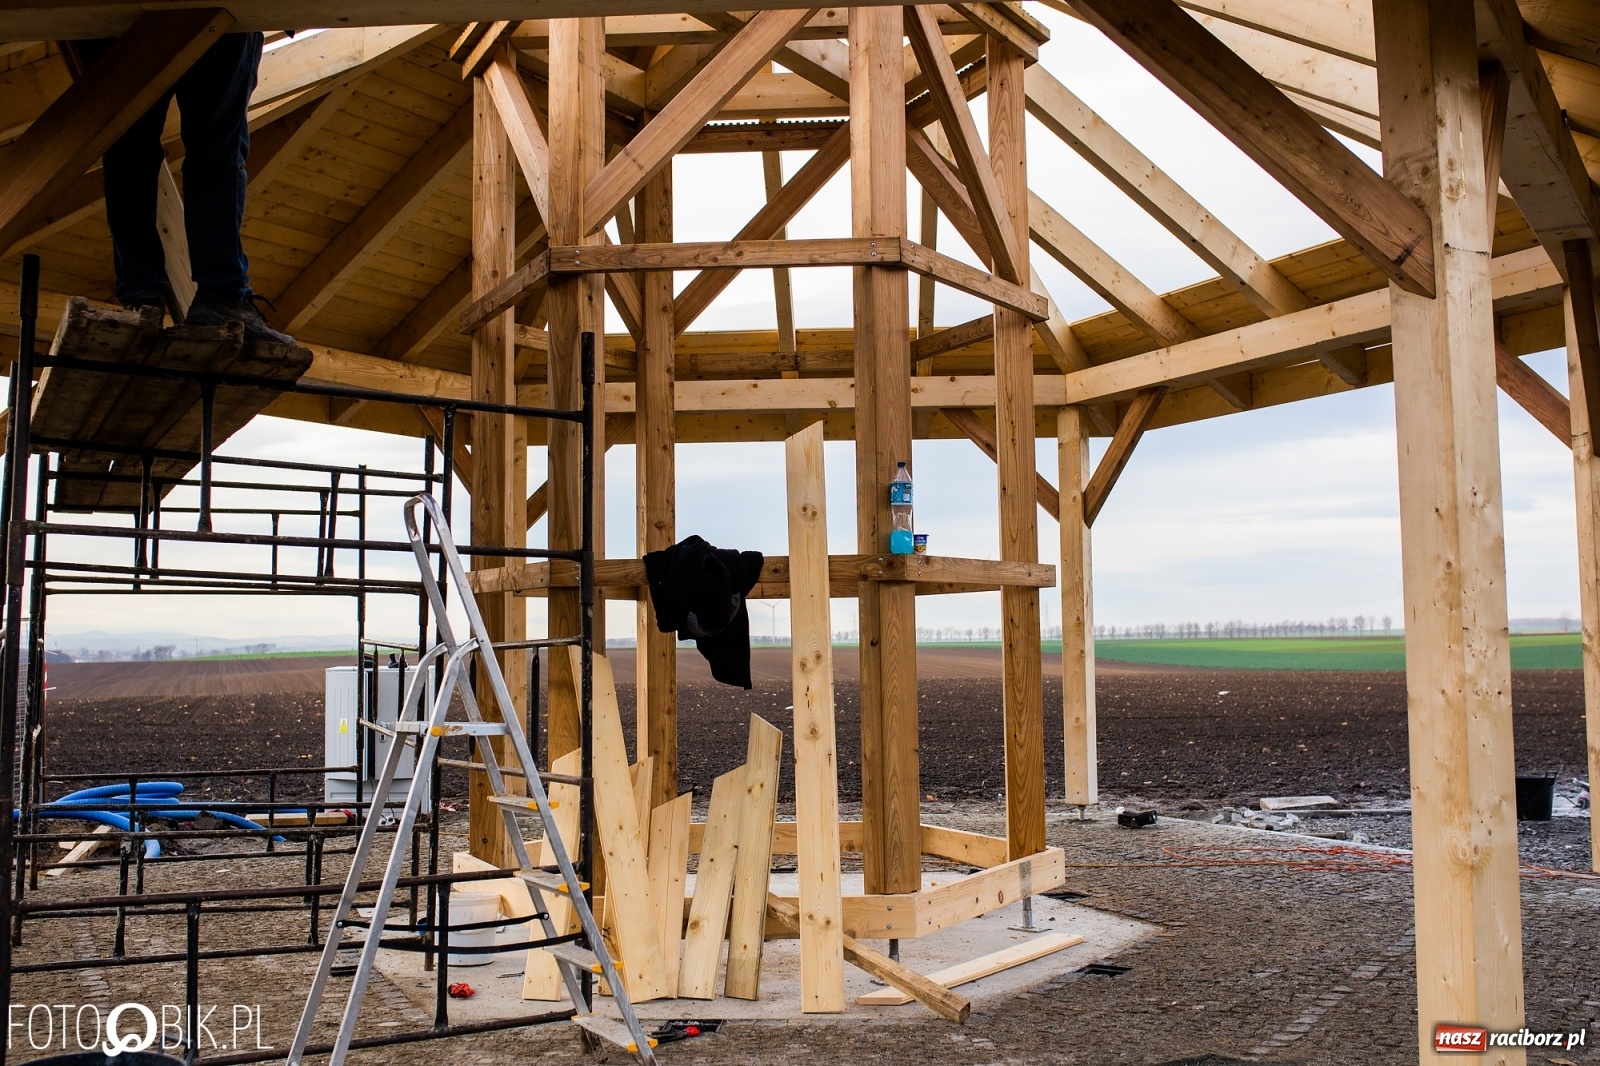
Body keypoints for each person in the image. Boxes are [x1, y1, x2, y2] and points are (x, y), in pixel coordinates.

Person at [76, 30, 294, 345]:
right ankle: (221, 294)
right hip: (225, 18)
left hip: (113, 21)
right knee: (217, 152)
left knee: (128, 151)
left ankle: (141, 297)